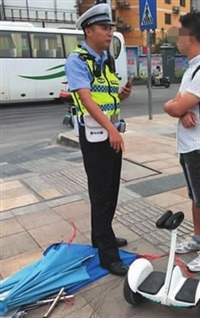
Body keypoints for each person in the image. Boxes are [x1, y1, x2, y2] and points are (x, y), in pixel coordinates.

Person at [65, 4, 132, 276]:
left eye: (110, 29)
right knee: (101, 193)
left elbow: (106, 95)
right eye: (104, 29)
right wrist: (111, 130)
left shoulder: (107, 60)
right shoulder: (77, 60)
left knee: (111, 190)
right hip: (95, 137)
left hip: (110, 133)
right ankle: (107, 254)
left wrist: (122, 95)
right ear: (89, 31)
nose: (109, 33)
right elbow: (86, 99)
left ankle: (101, 236)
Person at [163, 11, 200, 272]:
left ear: (191, 37)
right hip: (189, 146)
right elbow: (175, 104)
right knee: (196, 197)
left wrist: (177, 108)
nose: (177, 38)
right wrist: (177, 107)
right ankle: (199, 239)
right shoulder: (192, 69)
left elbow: (176, 107)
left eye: (180, 33)